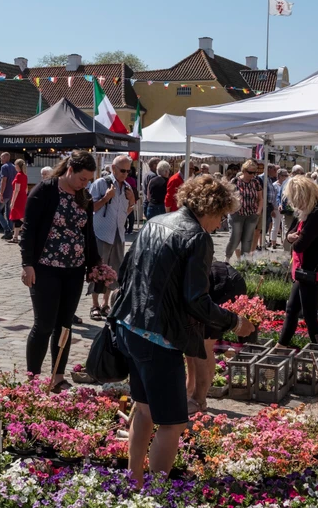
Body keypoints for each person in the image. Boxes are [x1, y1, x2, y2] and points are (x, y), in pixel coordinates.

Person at [111, 174, 254, 488]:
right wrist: (235, 322)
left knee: (145, 412)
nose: (221, 224)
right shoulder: (197, 237)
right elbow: (196, 300)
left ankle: (134, 482)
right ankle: (159, 492)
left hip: (131, 328)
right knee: (173, 423)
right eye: (222, 216)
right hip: (158, 337)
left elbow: (127, 273)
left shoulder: (155, 221)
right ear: (211, 209)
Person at [20, 151, 100, 392]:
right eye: (82, 179)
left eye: (88, 180)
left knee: (65, 325)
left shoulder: (83, 196)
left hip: (73, 270)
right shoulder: (45, 190)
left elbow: (88, 233)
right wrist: (27, 264)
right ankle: (32, 378)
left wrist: (94, 264)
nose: (85, 184)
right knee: (44, 324)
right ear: (69, 170)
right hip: (45, 268)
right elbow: (28, 230)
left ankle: (57, 376)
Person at [278, 176, 318, 347]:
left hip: (313, 272)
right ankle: (281, 346)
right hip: (304, 271)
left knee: (310, 317)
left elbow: (299, 246)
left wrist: (293, 239)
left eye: (296, 199)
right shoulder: (309, 211)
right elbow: (291, 233)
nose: (295, 204)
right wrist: (290, 237)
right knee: (291, 310)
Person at [186, 260, 247, 413]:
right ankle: (189, 390)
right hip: (210, 285)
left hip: (225, 285)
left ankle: (199, 400)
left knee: (204, 343)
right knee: (192, 342)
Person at [87, 155, 136, 321]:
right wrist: (106, 198)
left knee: (113, 270)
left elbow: (124, 213)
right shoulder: (101, 183)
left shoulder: (127, 186)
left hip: (118, 234)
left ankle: (106, 303)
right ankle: (94, 305)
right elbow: (90, 207)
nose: (125, 174)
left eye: (128, 171)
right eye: (122, 170)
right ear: (113, 168)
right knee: (98, 270)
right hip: (101, 233)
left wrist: (132, 202)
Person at [225, 160, 263, 259]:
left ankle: (244, 263)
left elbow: (260, 199)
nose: (252, 175)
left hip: (251, 215)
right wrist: (231, 209)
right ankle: (227, 258)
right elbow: (227, 196)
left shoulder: (256, 182)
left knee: (247, 240)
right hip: (237, 214)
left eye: (254, 173)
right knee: (235, 238)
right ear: (244, 171)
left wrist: (258, 211)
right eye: (250, 172)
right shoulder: (235, 181)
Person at [0, 152, 16, 240]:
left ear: (6, 157)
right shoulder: (14, 167)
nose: (0, 159)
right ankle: (9, 231)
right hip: (11, 193)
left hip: (5, 193)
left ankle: (7, 229)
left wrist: (1, 193)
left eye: (2, 157)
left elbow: (4, 180)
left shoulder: (4, 167)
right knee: (8, 213)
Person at [8, 159, 29, 244]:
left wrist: (12, 202)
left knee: (20, 217)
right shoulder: (24, 175)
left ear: (18, 166)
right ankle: (15, 237)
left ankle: (33, 229)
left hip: (18, 198)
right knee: (17, 217)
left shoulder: (19, 175)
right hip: (23, 197)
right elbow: (26, 189)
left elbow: (16, 190)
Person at [269, 168, 289, 248]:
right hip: (276, 209)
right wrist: (272, 209)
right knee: (276, 226)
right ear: (279, 176)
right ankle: (273, 242)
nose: (286, 177)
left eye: (287, 175)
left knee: (284, 226)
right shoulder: (274, 185)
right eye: (284, 175)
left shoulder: (286, 185)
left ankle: (284, 242)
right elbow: (273, 198)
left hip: (284, 209)